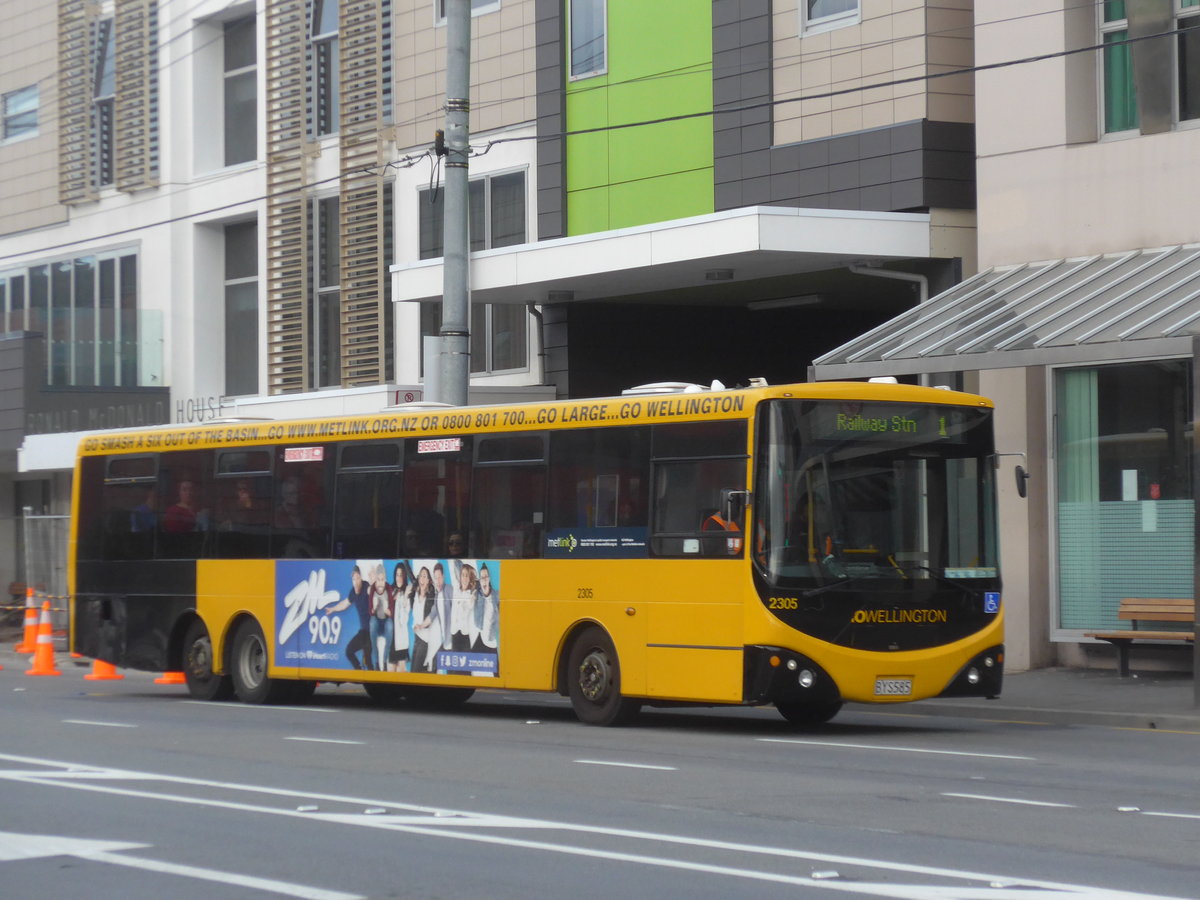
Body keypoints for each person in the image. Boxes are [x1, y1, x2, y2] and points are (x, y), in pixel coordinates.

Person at [324, 565, 373, 670]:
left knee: (368, 659)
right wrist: (333, 609)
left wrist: (373, 581)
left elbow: (372, 591)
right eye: (353, 579)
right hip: (363, 632)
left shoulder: (366, 586)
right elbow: (345, 603)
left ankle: (374, 679)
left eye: (357, 578)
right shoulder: (353, 592)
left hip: (372, 631)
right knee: (348, 651)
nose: (355, 582)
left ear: (361, 578)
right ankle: (359, 670)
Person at [410, 565, 439, 672]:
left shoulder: (431, 597)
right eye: (420, 576)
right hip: (417, 638)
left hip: (424, 640)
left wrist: (421, 626)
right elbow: (410, 576)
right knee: (420, 673)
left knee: (415, 673)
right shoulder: (416, 594)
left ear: (428, 581)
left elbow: (431, 617)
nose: (422, 578)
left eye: (425, 576)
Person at [366, 563, 393, 672]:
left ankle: (385, 662)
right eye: (378, 579)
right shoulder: (372, 589)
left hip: (386, 619)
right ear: (376, 580)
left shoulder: (389, 589)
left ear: (385, 579)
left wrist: (388, 611)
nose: (380, 582)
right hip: (376, 619)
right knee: (371, 625)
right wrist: (375, 607)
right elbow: (370, 611)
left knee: (390, 627)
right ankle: (377, 663)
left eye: (382, 579)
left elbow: (391, 611)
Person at [388, 562, 413, 673]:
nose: (399, 577)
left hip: (400, 636)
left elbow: (404, 619)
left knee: (401, 669)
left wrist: (404, 598)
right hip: (390, 636)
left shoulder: (407, 592)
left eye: (401, 574)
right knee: (391, 669)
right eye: (397, 574)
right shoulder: (390, 590)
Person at [450, 561, 479, 654]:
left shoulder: (471, 594)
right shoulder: (455, 589)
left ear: (470, 578)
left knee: (465, 665)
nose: (464, 578)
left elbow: (466, 610)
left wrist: (471, 599)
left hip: (464, 634)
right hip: (454, 633)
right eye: (463, 575)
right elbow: (452, 569)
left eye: (467, 575)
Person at [472, 562, 499, 655]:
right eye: (482, 577)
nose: (484, 579)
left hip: (495, 643)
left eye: (486, 576)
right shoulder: (477, 596)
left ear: (489, 579)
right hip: (482, 641)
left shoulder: (498, 596)